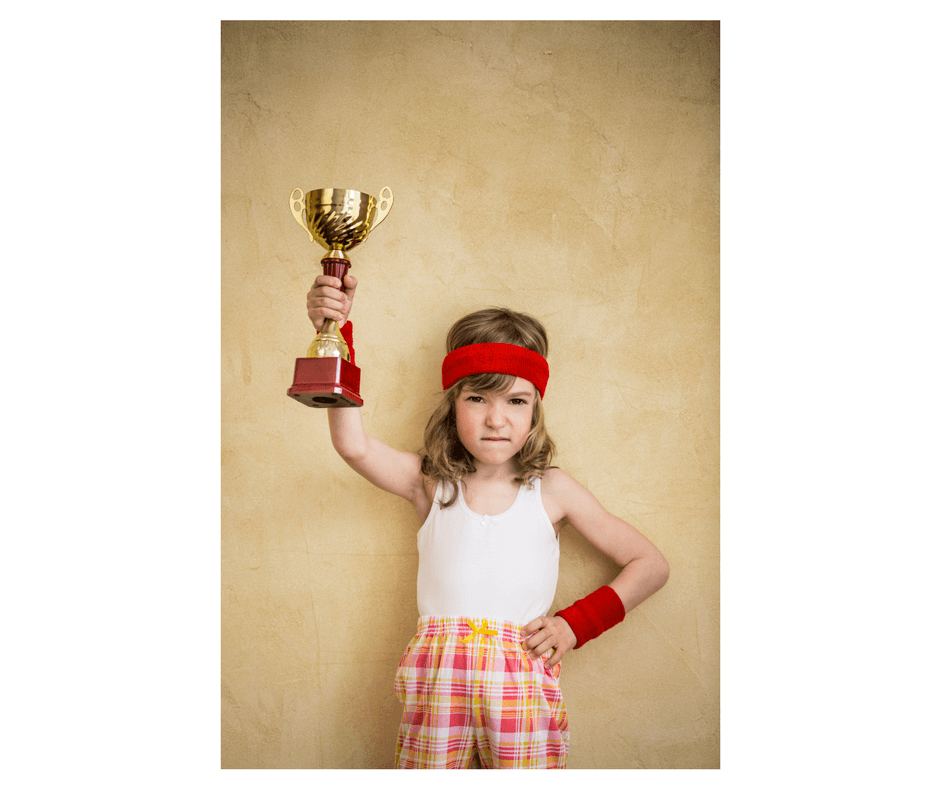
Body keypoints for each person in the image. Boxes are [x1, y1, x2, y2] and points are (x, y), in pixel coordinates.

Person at [306, 272, 670, 770]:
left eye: (516, 401)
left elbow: (650, 564)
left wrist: (573, 625)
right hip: (438, 682)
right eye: (478, 398)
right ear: (452, 404)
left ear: (535, 410)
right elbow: (353, 445)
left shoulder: (553, 488)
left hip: (520, 679)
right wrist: (334, 332)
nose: (496, 419)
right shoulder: (430, 481)